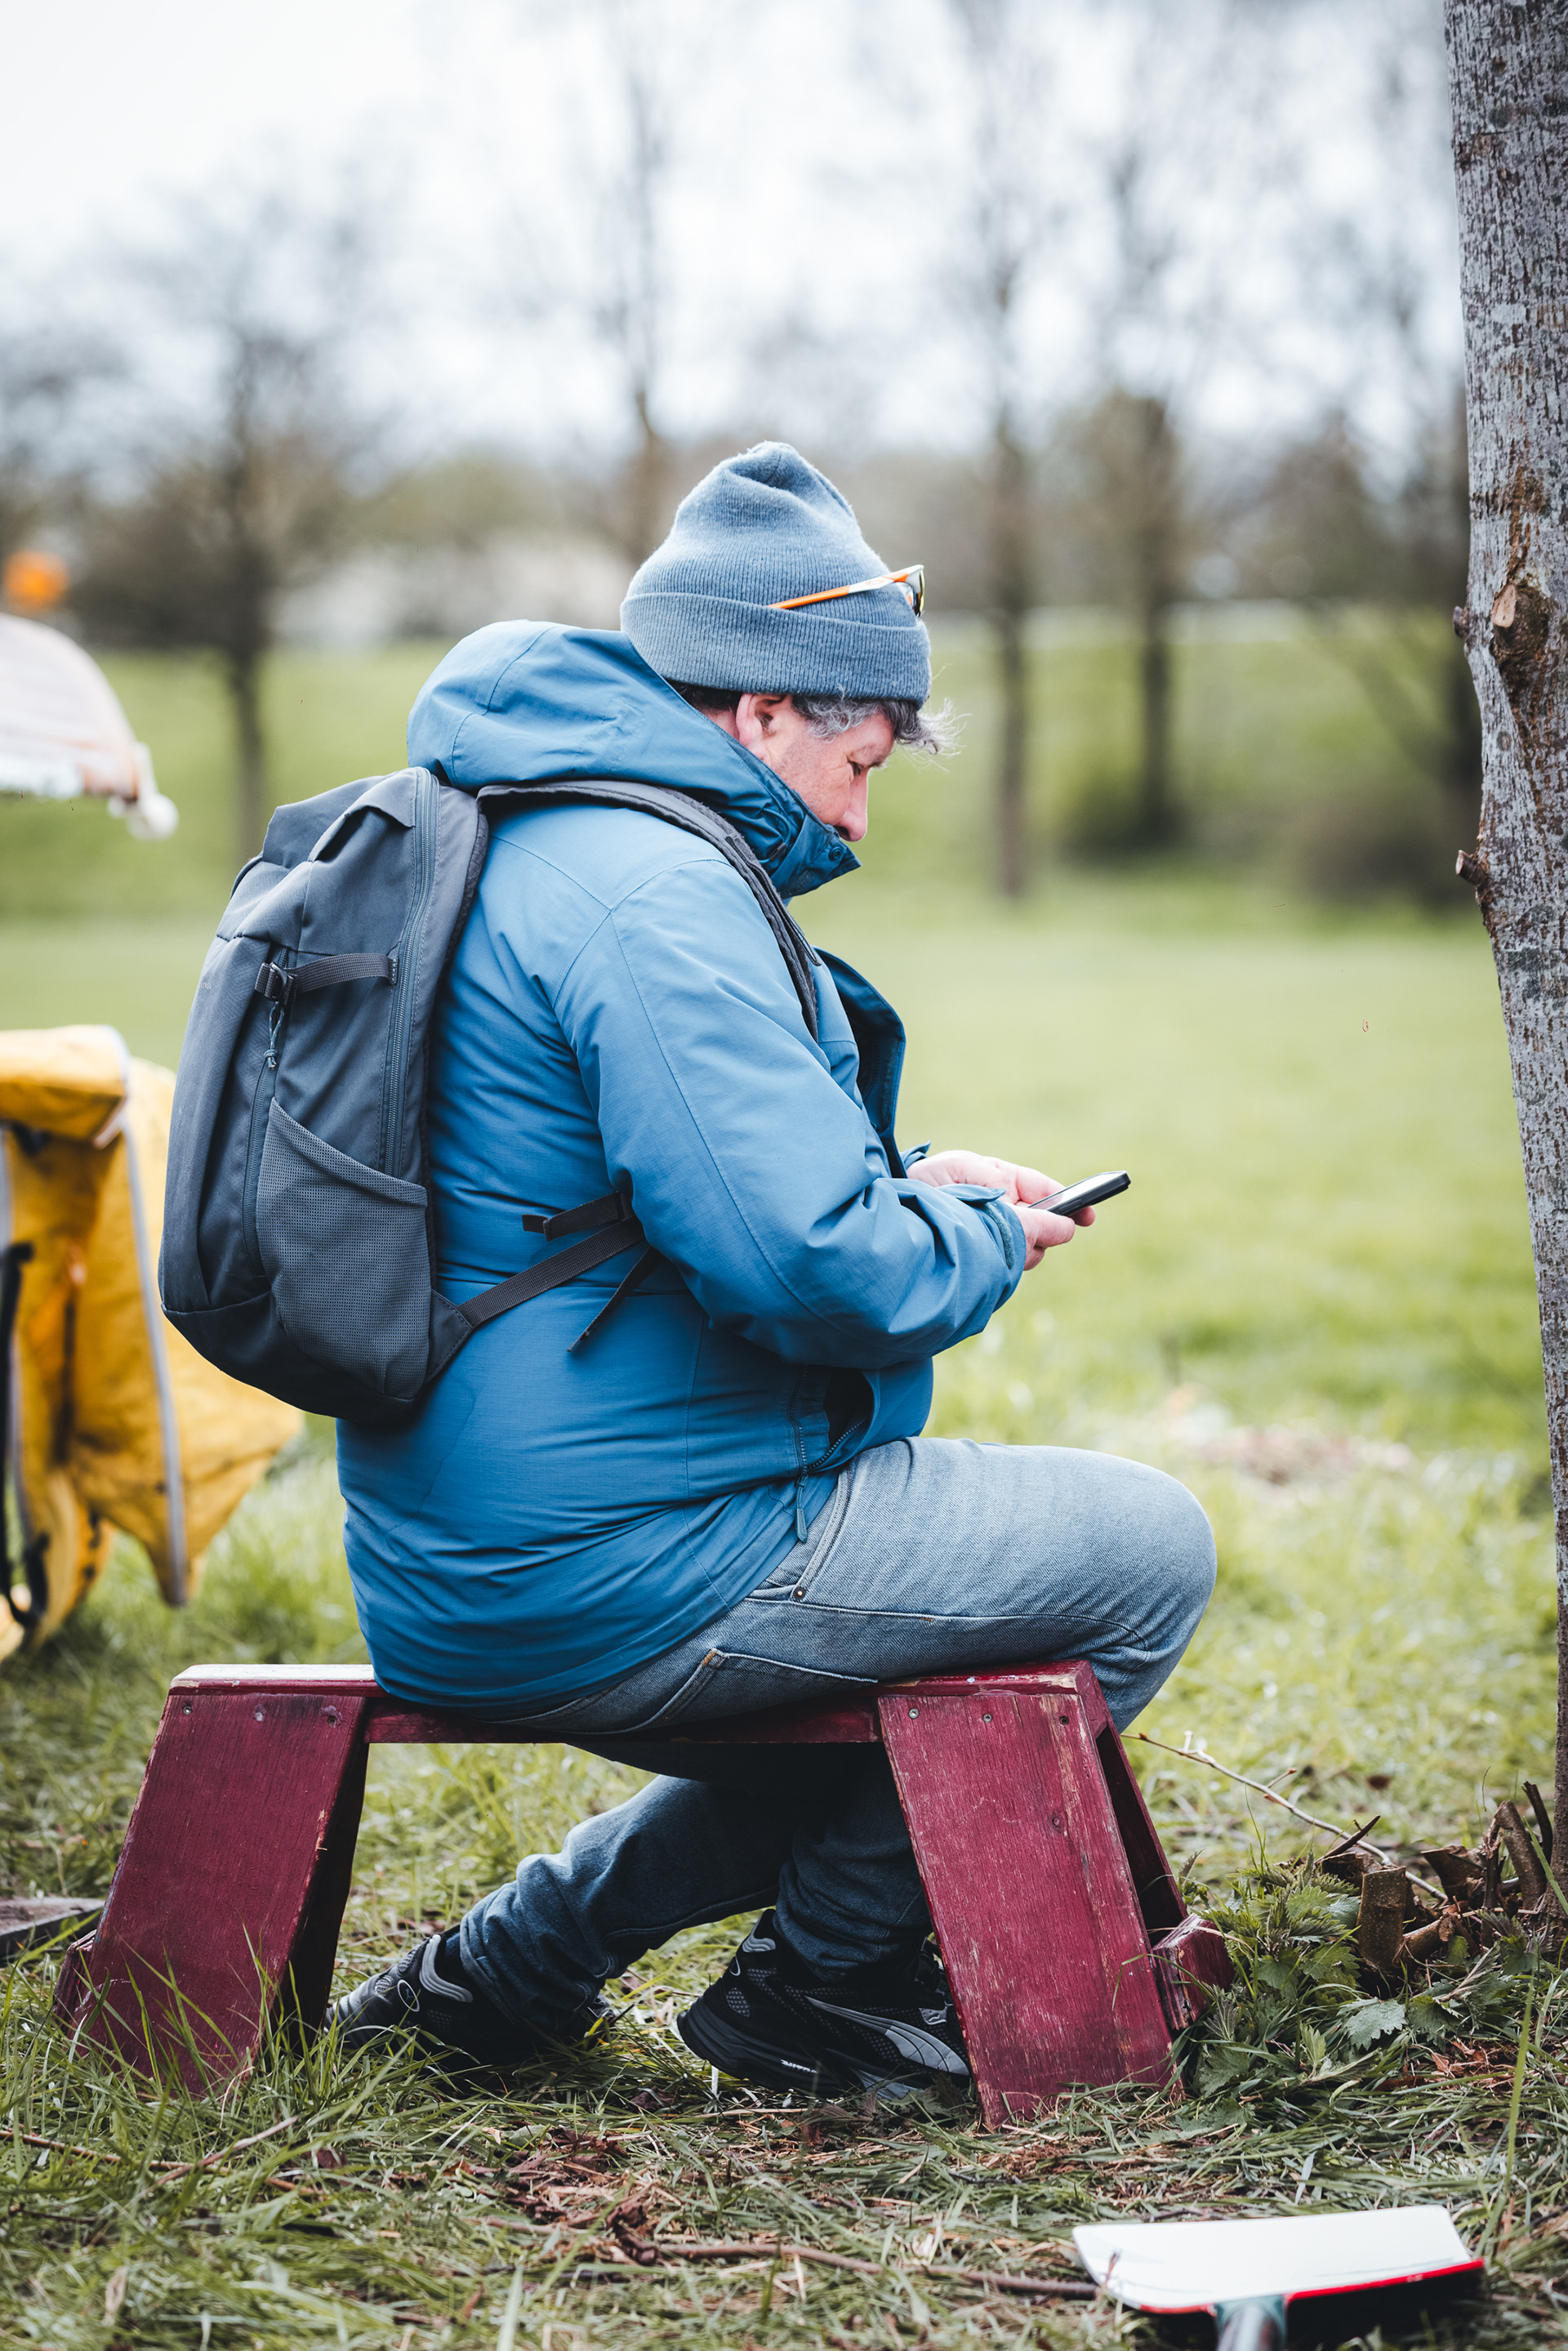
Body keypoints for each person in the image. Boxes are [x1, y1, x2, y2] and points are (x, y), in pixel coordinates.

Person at [331, 442, 1215, 2098]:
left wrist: (911, 1182)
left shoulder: (539, 833)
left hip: (473, 1534)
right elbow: (811, 1272)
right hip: (615, 1550)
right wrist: (974, 1238)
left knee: (906, 1681)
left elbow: (630, 1202)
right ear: (760, 711)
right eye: (860, 760)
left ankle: (511, 1964)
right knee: (1147, 1553)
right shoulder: (655, 889)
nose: (862, 814)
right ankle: (824, 1981)